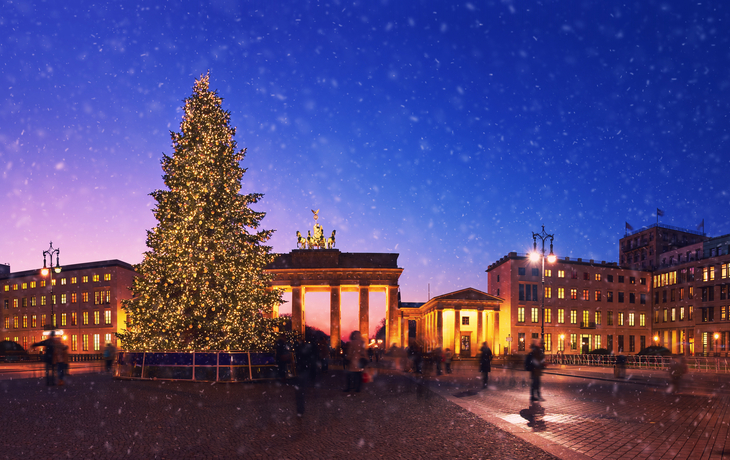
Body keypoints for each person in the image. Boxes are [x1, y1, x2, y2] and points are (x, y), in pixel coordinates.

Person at [294, 339, 317, 416]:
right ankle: (300, 408)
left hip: (301, 370)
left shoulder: (300, 350)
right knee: (301, 390)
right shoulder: (309, 351)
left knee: (300, 391)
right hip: (304, 370)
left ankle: (300, 409)